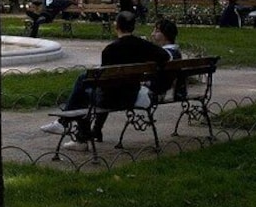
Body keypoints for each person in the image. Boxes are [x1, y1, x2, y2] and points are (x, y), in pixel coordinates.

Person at [40, 11, 169, 150]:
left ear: (116, 26)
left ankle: (77, 136)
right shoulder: (143, 45)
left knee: (82, 92)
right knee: (84, 79)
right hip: (131, 96)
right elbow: (164, 56)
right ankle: (74, 127)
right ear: (133, 27)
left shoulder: (110, 50)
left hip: (110, 99)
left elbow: (105, 83)